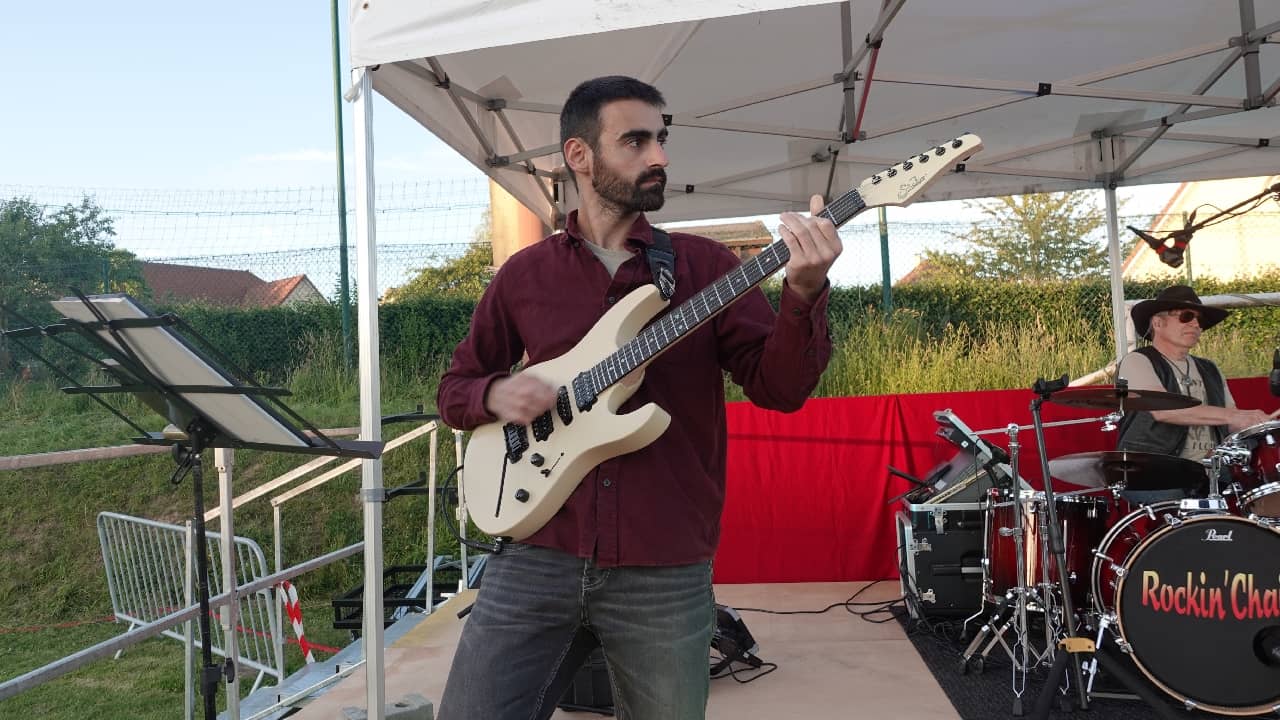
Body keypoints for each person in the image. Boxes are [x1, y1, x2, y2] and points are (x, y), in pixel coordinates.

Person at [433, 76, 842, 720]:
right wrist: (497, 393)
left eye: (661, 139)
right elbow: (455, 390)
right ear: (579, 156)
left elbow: (781, 389)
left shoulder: (706, 269)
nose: (660, 156)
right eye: (635, 140)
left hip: (664, 568)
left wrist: (805, 292)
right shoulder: (525, 275)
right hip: (537, 551)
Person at [1116, 284, 1277, 465]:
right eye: (1186, 316)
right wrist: (1235, 416)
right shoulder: (1137, 361)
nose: (1196, 324)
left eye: (1199, 320)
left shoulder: (1210, 368)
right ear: (1158, 323)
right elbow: (1163, 410)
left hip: (1212, 471)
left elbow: (1230, 419)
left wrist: (1259, 425)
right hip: (1152, 470)